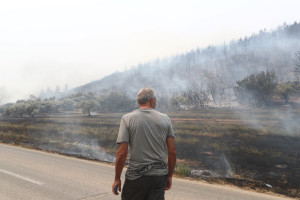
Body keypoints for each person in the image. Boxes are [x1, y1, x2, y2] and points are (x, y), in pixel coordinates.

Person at [112, 87, 177, 200]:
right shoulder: (165, 119)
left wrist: (117, 178)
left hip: (136, 178)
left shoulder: (127, 119)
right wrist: (169, 176)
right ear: (152, 100)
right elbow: (172, 151)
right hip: (159, 177)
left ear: (139, 101)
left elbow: (122, 153)